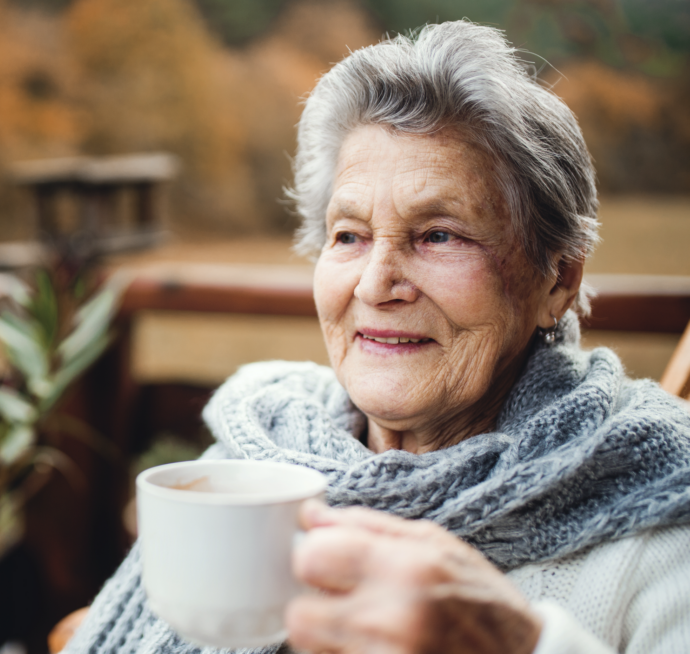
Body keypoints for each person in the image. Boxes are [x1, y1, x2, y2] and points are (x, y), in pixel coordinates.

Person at [63, 21, 690, 654]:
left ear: (558, 279)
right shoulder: (255, 461)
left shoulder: (660, 510)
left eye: (439, 234)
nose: (375, 284)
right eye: (349, 236)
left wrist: (518, 646)